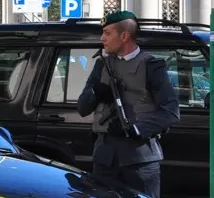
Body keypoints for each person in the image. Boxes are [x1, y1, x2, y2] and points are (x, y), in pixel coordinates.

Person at [76, 10, 180, 198]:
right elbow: (83, 108)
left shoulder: (151, 66)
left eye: (107, 33)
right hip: (105, 158)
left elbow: (171, 112)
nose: (102, 38)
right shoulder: (102, 65)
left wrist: (136, 129)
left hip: (140, 158)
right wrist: (96, 92)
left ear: (125, 36)